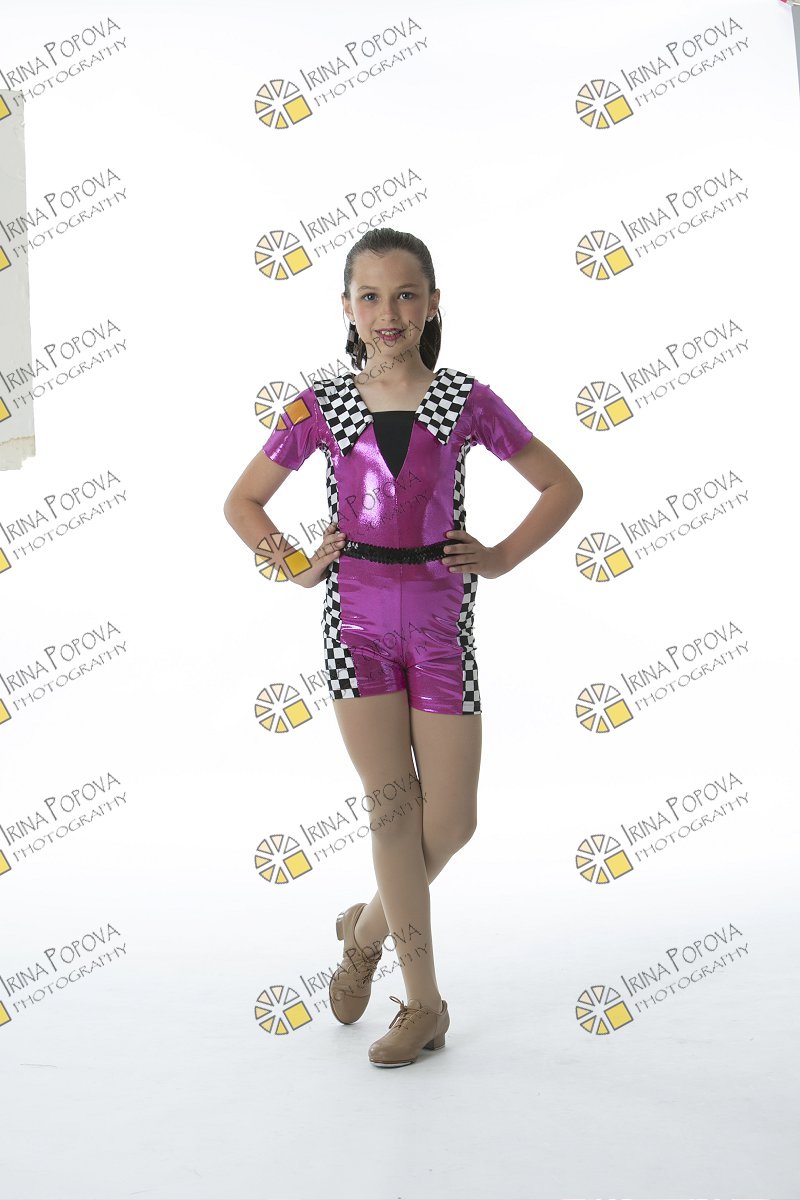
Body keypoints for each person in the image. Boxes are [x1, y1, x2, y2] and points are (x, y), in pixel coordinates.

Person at [223, 228, 583, 1067]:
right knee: (392, 808)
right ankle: (424, 1004)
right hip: (355, 624)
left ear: (434, 302)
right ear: (347, 308)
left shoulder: (464, 400)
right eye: (372, 296)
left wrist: (501, 557)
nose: (389, 311)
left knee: (450, 821)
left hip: (440, 623)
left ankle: (363, 931)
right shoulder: (321, 404)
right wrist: (295, 567)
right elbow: (242, 501)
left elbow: (561, 484)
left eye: (407, 293)